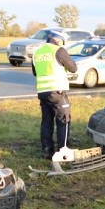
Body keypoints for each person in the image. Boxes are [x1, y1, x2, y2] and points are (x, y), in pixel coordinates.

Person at [32, 31, 77, 159]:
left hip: (43, 92)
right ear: (56, 40)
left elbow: (35, 72)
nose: (63, 44)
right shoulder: (59, 51)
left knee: (46, 121)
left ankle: (47, 150)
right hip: (57, 92)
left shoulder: (37, 52)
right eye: (63, 41)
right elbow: (73, 68)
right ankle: (63, 150)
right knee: (64, 120)